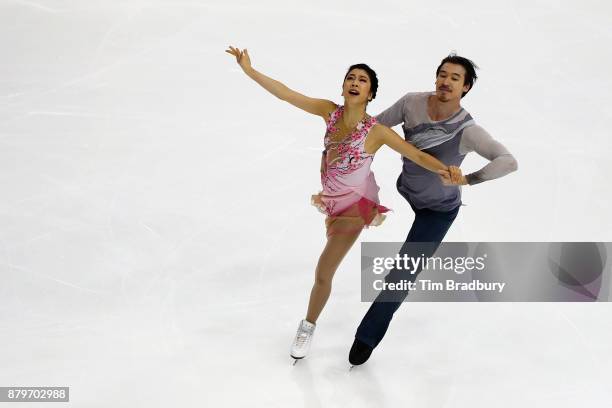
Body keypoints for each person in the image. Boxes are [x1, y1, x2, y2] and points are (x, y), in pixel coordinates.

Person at [225, 46, 463, 361]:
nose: (354, 82)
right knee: (323, 271)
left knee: (323, 271)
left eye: (362, 80)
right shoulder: (329, 112)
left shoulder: (376, 131)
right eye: (350, 77)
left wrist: (449, 172)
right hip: (331, 202)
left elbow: (416, 154)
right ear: (343, 87)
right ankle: (310, 322)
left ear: (371, 94)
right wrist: (249, 70)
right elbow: (286, 94)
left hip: (354, 208)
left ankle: (307, 326)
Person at [348, 54, 519, 366]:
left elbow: (509, 161)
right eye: (443, 74)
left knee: (403, 271)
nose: (446, 81)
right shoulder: (412, 103)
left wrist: (468, 179)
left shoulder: (467, 130)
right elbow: (371, 129)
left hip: (438, 210)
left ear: (465, 88)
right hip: (406, 188)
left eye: (455, 78)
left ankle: (366, 337)